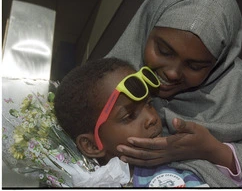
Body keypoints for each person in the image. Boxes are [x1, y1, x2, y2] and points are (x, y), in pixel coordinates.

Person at [90, 0, 242, 187]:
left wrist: (214, 151)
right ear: (147, 28)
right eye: (163, 51)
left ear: (218, 64)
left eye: (195, 66)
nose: (172, 73)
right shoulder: (105, 85)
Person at [54, 57, 210, 187]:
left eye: (149, 104)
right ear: (92, 145)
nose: (152, 118)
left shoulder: (171, 175)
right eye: (129, 116)